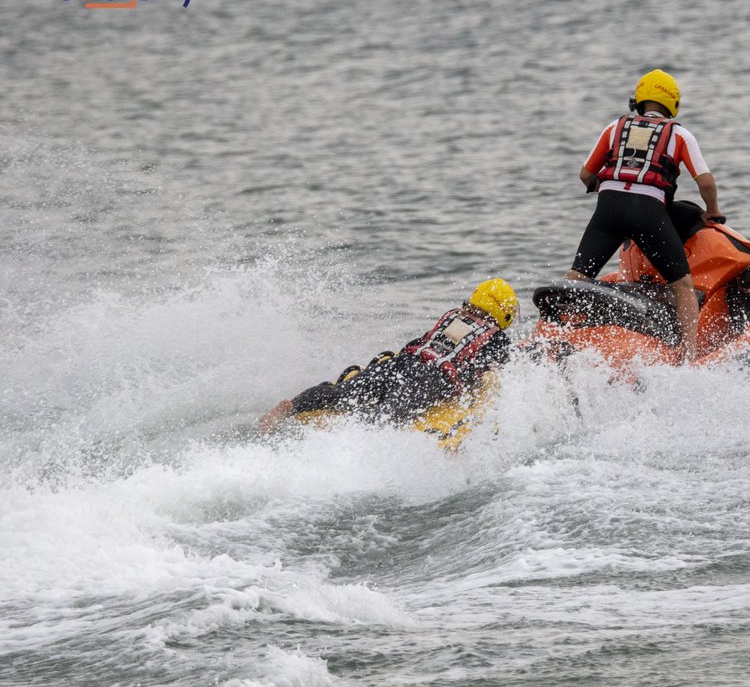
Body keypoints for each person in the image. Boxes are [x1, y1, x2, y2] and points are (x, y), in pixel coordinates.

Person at [570, 69, 723, 363]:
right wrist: (713, 211)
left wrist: (608, 188)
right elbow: (705, 182)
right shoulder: (679, 134)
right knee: (682, 287)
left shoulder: (615, 127)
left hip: (608, 211)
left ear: (638, 101)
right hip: (649, 213)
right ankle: (689, 358)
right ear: (672, 104)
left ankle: (557, 338)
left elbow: (586, 174)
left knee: (576, 278)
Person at [258, 279, 519, 435]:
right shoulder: (496, 336)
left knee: (345, 392)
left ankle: (292, 406)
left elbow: (420, 343)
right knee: (389, 415)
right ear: (504, 314)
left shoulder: (452, 315)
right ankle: (352, 442)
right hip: (432, 378)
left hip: (405, 361)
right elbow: (489, 375)